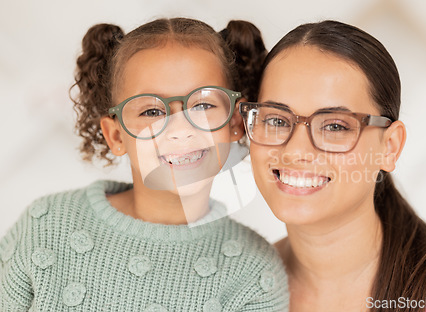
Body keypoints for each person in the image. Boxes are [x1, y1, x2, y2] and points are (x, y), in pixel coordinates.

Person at [0, 18, 288, 311]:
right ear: (116, 135)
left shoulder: (255, 273)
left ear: (235, 123)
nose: (180, 128)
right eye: (152, 110)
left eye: (202, 105)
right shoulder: (44, 225)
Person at [240, 20, 426, 311]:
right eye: (276, 120)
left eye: (335, 126)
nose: (296, 150)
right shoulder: (231, 291)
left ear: (390, 147)